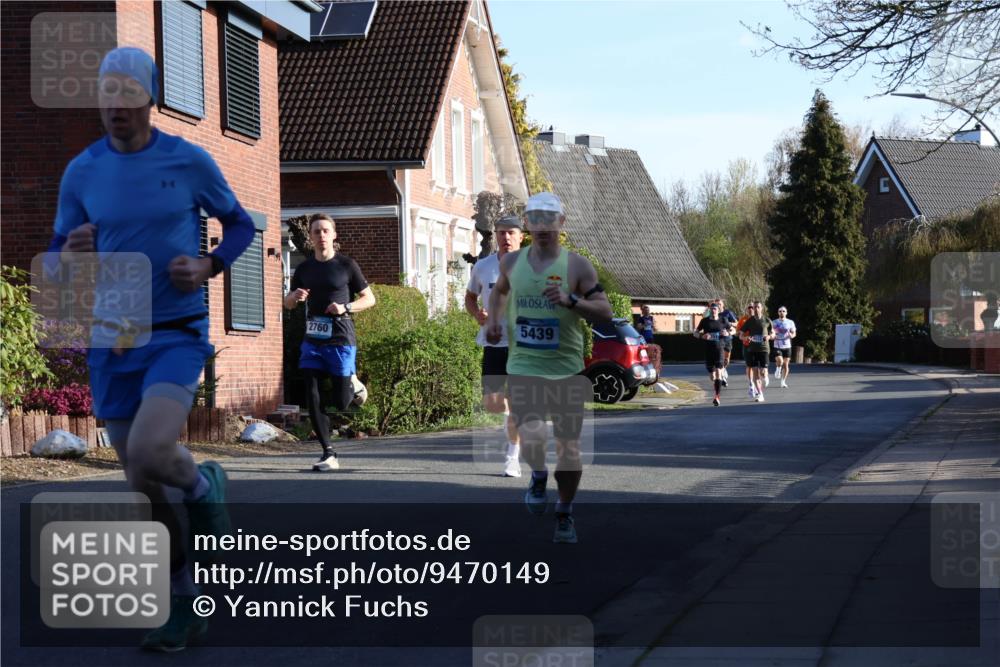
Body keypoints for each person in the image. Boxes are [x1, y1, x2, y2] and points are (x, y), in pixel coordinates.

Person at [47, 47, 255, 651]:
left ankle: (200, 488)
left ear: (148, 100)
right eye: (105, 94)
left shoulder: (187, 161)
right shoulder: (82, 171)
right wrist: (71, 252)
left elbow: (241, 223)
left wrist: (211, 262)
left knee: (150, 446)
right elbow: (59, 252)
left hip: (175, 331)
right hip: (113, 338)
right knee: (140, 478)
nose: (114, 106)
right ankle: (183, 601)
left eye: (126, 94)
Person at [486, 192, 613, 544]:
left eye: (549, 219)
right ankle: (538, 473)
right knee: (531, 432)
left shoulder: (577, 266)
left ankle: (565, 512)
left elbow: (604, 311)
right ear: (527, 223)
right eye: (535, 219)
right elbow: (498, 292)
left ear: (561, 222)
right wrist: (494, 321)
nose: (542, 226)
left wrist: (573, 300)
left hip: (566, 367)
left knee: (569, 447)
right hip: (524, 364)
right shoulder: (511, 263)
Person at [284, 213, 376, 472]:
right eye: (316, 231)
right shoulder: (303, 268)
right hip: (313, 337)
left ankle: (352, 384)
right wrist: (295, 296)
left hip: (340, 336)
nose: (321, 235)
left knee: (342, 400)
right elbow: (287, 303)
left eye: (325, 230)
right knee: (311, 394)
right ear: (311, 237)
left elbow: (369, 299)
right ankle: (328, 452)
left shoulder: (347, 265)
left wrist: (345, 306)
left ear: (334, 235)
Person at [465, 215, 524, 477]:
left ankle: (512, 457)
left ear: (521, 237)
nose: (506, 238)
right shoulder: (483, 266)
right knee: (493, 403)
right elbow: (470, 297)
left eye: (511, 233)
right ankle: (513, 420)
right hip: (494, 342)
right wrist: (476, 314)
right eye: (501, 233)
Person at [694, 302, 730, 406]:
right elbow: (695, 333)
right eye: (712, 309)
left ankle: (717, 397)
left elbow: (732, 330)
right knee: (712, 376)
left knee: (718, 372)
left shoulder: (723, 320)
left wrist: (727, 333)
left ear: (718, 310)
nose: (713, 311)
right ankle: (717, 384)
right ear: (710, 310)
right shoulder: (704, 321)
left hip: (720, 349)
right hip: (708, 350)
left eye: (715, 309)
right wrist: (702, 336)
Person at [740, 301, 774, 402]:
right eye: (754, 307)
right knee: (755, 373)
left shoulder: (767, 320)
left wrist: (769, 336)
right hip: (752, 349)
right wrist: (745, 338)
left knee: (763, 372)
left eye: (757, 307)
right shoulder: (749, 321)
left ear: (761, 308)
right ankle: (760, 394)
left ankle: (766, 376)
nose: (755, 309)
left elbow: (773, 334)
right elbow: (740, 334)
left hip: (764, 349)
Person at [771, 306, 796, 388]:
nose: (782, 312)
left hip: (787, 345)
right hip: (777, 344)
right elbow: (770, 332)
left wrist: (791, 335)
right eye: (780, 311)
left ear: (786, 312)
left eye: (783, 311)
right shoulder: (774, 322)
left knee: (785, 365)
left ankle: (783, 382)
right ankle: (778, 370)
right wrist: (772, 336)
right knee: (780, 361)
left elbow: (794, 333)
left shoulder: (790, 322)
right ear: (778, 312)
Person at [735, 303, 757, 398]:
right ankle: (751, 383)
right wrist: (743, 336)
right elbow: (737, 333)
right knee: (749, 365)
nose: (751, 309)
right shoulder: (743, 319)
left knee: (757, 366)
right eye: (749, 308)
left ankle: (757, 383)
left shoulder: (759, 319)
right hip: (746, 345)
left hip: (757, 346)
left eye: (753, 307)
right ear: (747, 309)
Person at [717, 299, 738, 386]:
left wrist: (728, 323)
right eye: (716, 304)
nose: (718, 306)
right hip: (718, 339)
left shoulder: (728, 312)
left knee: (726, 359)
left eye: (719, 304)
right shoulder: (713, 314)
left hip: (728, 338)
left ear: (723, 305)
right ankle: (722, 376)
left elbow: (737, 323)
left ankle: (724, 369)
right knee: (720, 359)